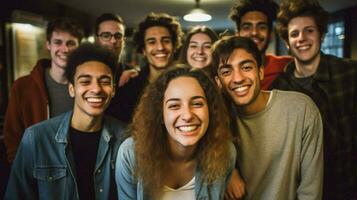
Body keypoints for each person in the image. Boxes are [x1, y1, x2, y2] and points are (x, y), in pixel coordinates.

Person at [5, 43, 126, 200]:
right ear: (71, 89)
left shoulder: (126, 138)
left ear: (113, 89)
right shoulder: (36, 137)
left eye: (104, 81)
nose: (96, 89)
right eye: (85, 81)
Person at [212, 36, 323, 200]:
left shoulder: (300, 109)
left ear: (261, 72)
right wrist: (227, 171)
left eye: (246, 67)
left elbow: (310, 190)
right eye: (227, 71)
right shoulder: (215, 119)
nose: (238, 78)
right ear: (218, 82)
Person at [270, 0, 357, 199]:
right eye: (294, 34)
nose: (302, 38)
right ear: (286, 42)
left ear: (322, 35)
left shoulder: (350, 73)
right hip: (302, 189)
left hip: (348, 185)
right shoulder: (279, 88)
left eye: (309, 30)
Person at [116, 66, 236, 199]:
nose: (187, 115)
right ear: (160, 114)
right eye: (174, 105)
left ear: (210, 111)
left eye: (197, 104)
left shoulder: (225, 153)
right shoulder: (131, 154)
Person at [3, 17, 84, 163]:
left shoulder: (86, 87)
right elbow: (12, 136)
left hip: (77, 169)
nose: (64, 49)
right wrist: (21, 171)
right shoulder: (22, 87)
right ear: (48, 45)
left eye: (71, 43)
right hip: (35, 172)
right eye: (58, 42)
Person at [106, 12, 184, 123]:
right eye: (152, 42)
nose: (160, 47)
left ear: (174, 46)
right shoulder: (129, 87)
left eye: (166, 41)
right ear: (143, 50)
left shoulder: (186, 81)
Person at [229, 0, 293, 90]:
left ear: (271, 34)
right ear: (237, 34)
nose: (254, 32)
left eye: (262, 27)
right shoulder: (227, 72)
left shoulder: (287, 66)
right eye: (247, 27)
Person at [94, 13, 138, 88]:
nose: (113, 41)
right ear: (96, 40)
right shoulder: (82, 71)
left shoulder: (133, 77)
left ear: (123, 41)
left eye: (118, 36)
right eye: (106, 36)